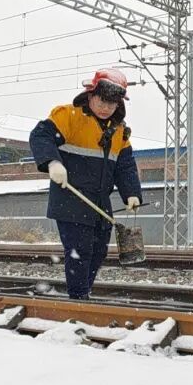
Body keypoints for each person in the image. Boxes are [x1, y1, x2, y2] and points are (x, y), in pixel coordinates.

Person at [30, 68, 142, 299]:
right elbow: (40, 136)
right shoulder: (69, 117)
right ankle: (79, 298)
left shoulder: (119, 131)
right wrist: (52, 162)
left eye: (112, 104)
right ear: (90, 95)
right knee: (80, 252)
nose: (105, 107)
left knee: (98, 252)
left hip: (100, 205)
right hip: (71, 201)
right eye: (101, 101)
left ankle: (83, 294)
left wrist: (131, 193)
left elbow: (125, 166)